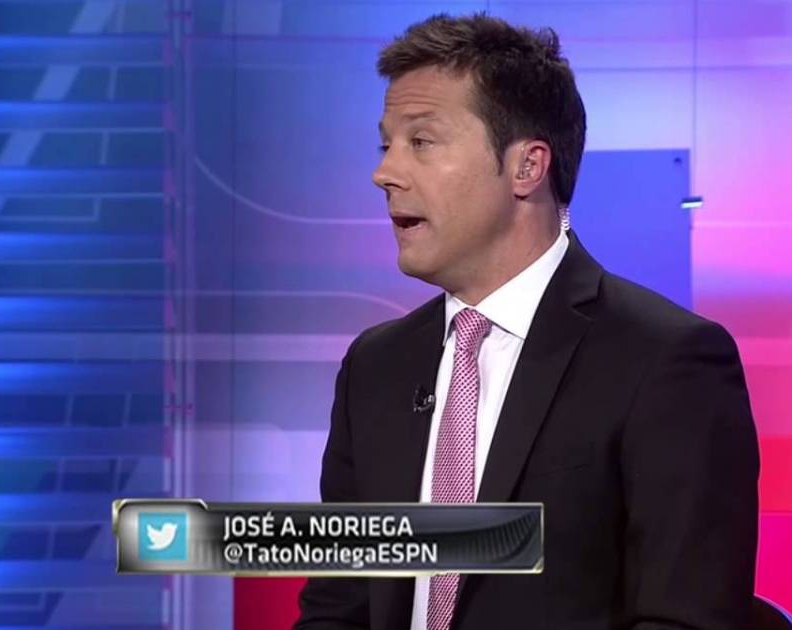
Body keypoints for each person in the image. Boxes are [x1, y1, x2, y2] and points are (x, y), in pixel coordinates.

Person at [296, 13, 759, 630]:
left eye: (421, 142)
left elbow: (685, 618)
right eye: (387, 145)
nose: (386, 173)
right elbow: (338, 608)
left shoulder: (666, 360)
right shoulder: (375, 367)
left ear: (527, 167)